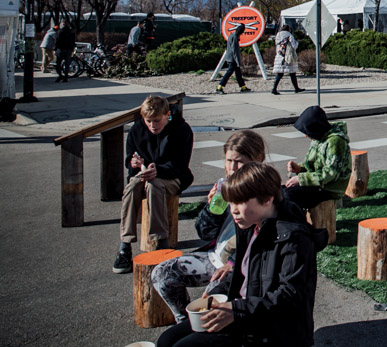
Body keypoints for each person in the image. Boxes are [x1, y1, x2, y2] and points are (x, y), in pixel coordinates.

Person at [156, 163, 327, 347]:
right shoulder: (251, 226)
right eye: (231, 202)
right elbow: (245, 276)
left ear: (268, 199)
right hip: (244, 312)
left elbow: (290, 297)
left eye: (240, 202)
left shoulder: (293, 238)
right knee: (166, 340)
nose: (233, 210)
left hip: (268, 329)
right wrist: (218, 293)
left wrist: (236, 310)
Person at [151, 131, 267, 323]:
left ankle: (201, 330)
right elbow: (204, 232)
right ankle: (184, 322)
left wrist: (232, 264)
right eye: (229, 161)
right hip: (215, 256)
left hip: (240, 263)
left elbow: (262, 239)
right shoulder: (226, 187)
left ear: (258, 160)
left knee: (210, 300)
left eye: (239, 161)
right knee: (162, 274)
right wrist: (212, 210)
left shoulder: (265, 193)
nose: (232, 168)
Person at [113, 95, 194, 273]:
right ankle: (125, 245)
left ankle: (161, 241)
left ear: (167, 115)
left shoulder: (181, 130)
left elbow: (181, 165)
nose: (152, 126)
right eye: (148, 121)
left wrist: (159, 170)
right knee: (132, 187)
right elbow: (129, 161)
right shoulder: (136, 130)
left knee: (154, 185)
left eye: (157, 121)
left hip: (173, 176)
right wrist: (133, 163)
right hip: (144, 175)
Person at [284, 105, 351, 210]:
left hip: (330, 189)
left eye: (307, 132)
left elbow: (330, 174)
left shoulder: (336, 141)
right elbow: (312, 164)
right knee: (279, 192)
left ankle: (297, 224)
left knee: (289, 196)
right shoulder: (319, 137)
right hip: (317, 184)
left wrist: (301, 179)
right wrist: (299, 168)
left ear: (316, 128)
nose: (306, 136)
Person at [271, 25, 305, 95]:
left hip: (280, 56)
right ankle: (296, 88)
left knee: (279, 74)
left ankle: (274, 88)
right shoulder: (290, 36)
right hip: (288, 56)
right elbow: (294, 46)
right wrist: (297, 42)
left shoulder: (278, 36)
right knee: (292, 73)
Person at [217, 23, 251, 94]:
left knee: (238, 73)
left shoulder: (231, 35)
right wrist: (238, 61)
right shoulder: (235, 37)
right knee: (229, 72)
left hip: (230, 57)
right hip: (233, 59)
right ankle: (219, 87)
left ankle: (243, 87)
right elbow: (234, 50)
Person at [54, 18, 76, 83]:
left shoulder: (60, 31)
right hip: (69, 49)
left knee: (58, 63)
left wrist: (55, 49)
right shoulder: (71, 32)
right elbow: (73, 41)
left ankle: (60, 75)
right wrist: (72, 48)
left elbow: (57, 40)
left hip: (61, 49)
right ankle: (65, 76)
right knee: (67, 64)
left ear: (63, 24)